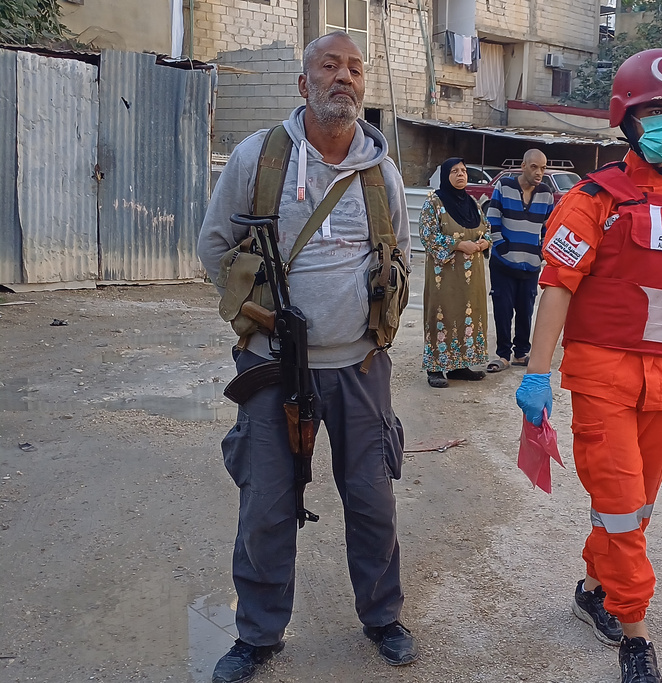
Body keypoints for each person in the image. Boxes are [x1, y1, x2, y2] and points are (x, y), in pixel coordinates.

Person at [514, 49, 662, 683]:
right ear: (626, 121)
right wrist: (537, 374)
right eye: (654, 112)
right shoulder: (591, 201)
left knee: (633, 507)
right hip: (602, 378)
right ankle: (635, 638)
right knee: (618, 502)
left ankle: (593, 589)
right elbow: (557, 286)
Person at [197, 31, 417, 683]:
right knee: (266, 500)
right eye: (329, 66)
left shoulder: (382, 173)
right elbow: (216, 246)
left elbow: (400, 253)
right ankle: (258, 633)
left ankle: (382, 615)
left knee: (373, 496)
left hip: (360, 366)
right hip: (271, 363)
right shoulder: (257, 158)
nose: (343, 77)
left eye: (354, 68)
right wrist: (257, 314)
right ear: (304, 84)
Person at [419, 157, 492, 388]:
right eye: (454, 171)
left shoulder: (472, 203)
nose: (461, 174)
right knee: (442, 314)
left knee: (467, 314)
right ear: (445, 176)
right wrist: (459, 245)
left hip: (472, 278)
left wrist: (483, 244)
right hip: (445, 276)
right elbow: (428, 235)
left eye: (463, 170)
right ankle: (436, 368)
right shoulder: (434, 203)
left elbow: (487, 229)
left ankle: (460, 365)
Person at [485, 149, 555, 372]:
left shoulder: (546, 193)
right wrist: (501, 245)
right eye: (534, 167)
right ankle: (503, 355)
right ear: (523, 166)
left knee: (526, 310)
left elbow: (549, 226)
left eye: (543, 168)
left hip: (531, 264)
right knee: (503, 309)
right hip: (503, 262)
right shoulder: (504, 186)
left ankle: (521, 353)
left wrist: (541, 251)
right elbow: (493, 218)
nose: (539, 172)